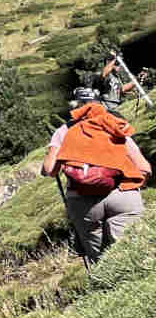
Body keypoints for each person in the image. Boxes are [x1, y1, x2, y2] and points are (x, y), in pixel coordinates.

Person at [41, 87, 150, 263]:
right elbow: (144, 167)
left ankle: (106, 278)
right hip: (122, 192)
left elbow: (49, 170)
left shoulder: (64, 131)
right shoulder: (112, 123)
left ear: (75, 106)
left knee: (101, 260)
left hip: (83, 200)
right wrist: (134, 188)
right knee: (133, 251)